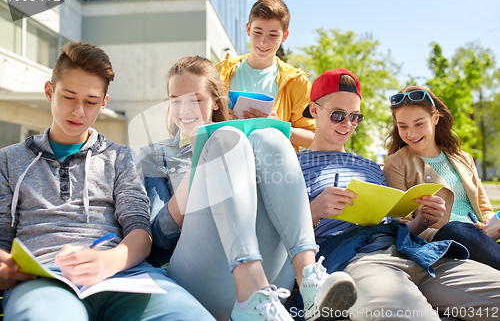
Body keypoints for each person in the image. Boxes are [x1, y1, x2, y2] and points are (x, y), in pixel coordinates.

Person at [0, 42, 216, 321]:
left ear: (104, 103)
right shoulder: (7, 161)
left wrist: (107, 262)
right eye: (68, 97)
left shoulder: (120, 158)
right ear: (49, 92)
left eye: (90, 102)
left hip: (122, 276)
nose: (79, 111)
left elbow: (140, 232)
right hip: (45, 280)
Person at [140, 56, 357, 321]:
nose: (184, 109)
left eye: (196, 99)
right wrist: (197, 173)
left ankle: (309, 276)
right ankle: (249, 290)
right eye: (176, 100)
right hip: (200, 277)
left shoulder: (241, 141)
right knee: (226, 140)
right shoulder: (155, 155)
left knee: (271, 137)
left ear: (215, 102)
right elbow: (156, 242)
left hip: (273, 282)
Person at [296, 68, 500, 320]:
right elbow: (276, 235)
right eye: (338, 115)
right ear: (314, 110)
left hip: (416, 251)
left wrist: (422, 220)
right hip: (358, 259)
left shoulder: (370, 166)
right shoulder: (293, 166)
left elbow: (395, 223)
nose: (348, 124)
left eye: (355, 117)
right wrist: (314, 210)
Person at [383, 86, 500, 270]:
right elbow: (401, 227)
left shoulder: (463, 158)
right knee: (455, 229)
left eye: (419, 124)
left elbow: (485, 209)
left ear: (435, 118)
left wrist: (488, 222)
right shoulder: (395, 164)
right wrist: (423, 219)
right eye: (403, 126)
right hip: (442, 242)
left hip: (482, 240)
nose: (411, 133)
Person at [216, 0, 315, 151]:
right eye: (258, 32)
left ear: (285, 36)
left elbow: (313, 138)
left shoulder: (296, 81)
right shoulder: (220, 72)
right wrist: (219, 118)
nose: (263, 41)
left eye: (273, 35)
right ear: (248, 29)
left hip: (274, 169)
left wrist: (278, 128)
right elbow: (199, 122)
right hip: (228, 163)